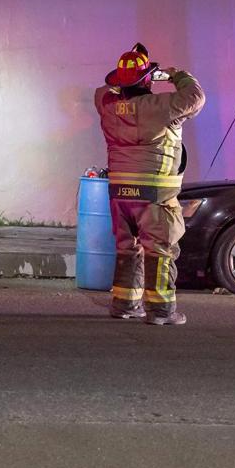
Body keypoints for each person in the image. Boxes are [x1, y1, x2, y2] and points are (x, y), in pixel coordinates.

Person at [94, 43, 205, 325]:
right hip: (154, 193)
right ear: (147, 81)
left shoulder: (107, 105)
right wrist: (175, 75)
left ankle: (125, 304)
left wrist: (121, 80)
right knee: (160, 249)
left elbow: (103, 89)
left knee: (127, 248)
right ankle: (161, 311)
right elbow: (195, 97)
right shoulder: (162, 106)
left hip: (120, 193)